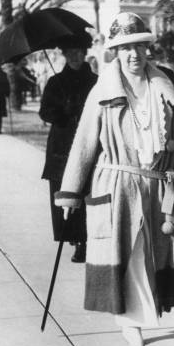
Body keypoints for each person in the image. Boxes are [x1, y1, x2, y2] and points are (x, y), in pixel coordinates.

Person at [55, 12, 174, 346]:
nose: (133, 54)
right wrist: (70, 191)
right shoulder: (102, 92)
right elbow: (84, 142)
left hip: (158, 190)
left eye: (139, 46)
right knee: (129, 262)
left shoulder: (165, 86)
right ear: (114, 53)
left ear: (148, 48)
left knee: (152, 262)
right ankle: (135, 341)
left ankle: (135, 327)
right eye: (125, 48)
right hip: (118, 189)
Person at [39, 33, 97, 262]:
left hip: (90, 144)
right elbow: (45, 112)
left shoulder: (96, 81)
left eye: (78, 52)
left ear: (85, 54)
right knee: (65, 193)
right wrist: (63, 109)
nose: (74, 56)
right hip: (62, 146)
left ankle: (86, 240)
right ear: (64, 55)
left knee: (86, 192)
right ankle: (74, 239)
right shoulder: (55, 82)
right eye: (70, 53)